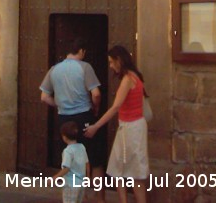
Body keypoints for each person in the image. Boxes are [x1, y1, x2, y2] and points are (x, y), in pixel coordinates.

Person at [40, 37, 106, 201]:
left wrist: (60, 105)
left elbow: (44, 97)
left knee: (71, 159)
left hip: (64, 119)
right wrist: (95, 108)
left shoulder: (54, 69)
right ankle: (99, 198)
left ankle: (77, 197)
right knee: (94, 158)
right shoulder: (85, 67)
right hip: (84, 116)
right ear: (82, 51)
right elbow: (96, 94)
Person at [84, 45, 149, 203]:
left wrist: (96, 126)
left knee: (121, 170)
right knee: (133, 171)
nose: (111, 66)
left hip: (129, 128)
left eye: (112, 62)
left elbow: (115, 107)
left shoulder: (127, 79)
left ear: (119, 60)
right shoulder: (136, 76)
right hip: (135, 127)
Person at [53, 121, 90, 203]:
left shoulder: (68, 151)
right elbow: (87, 164)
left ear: (64, 137)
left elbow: (66, 168)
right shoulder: (82, 147)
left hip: (70, 184)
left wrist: (55, 177)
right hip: (81, 183)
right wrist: (87, 178)